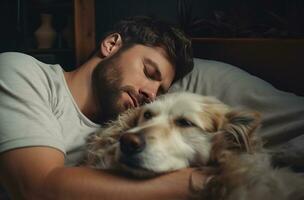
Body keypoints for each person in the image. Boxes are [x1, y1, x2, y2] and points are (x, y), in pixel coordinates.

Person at [0, 16, 204, 200]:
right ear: (111, 45)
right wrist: (198, 182)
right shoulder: (20, 71)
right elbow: (38, 189)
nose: (151, 94)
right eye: (149, 72)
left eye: (160, 92)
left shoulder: (124, 136)